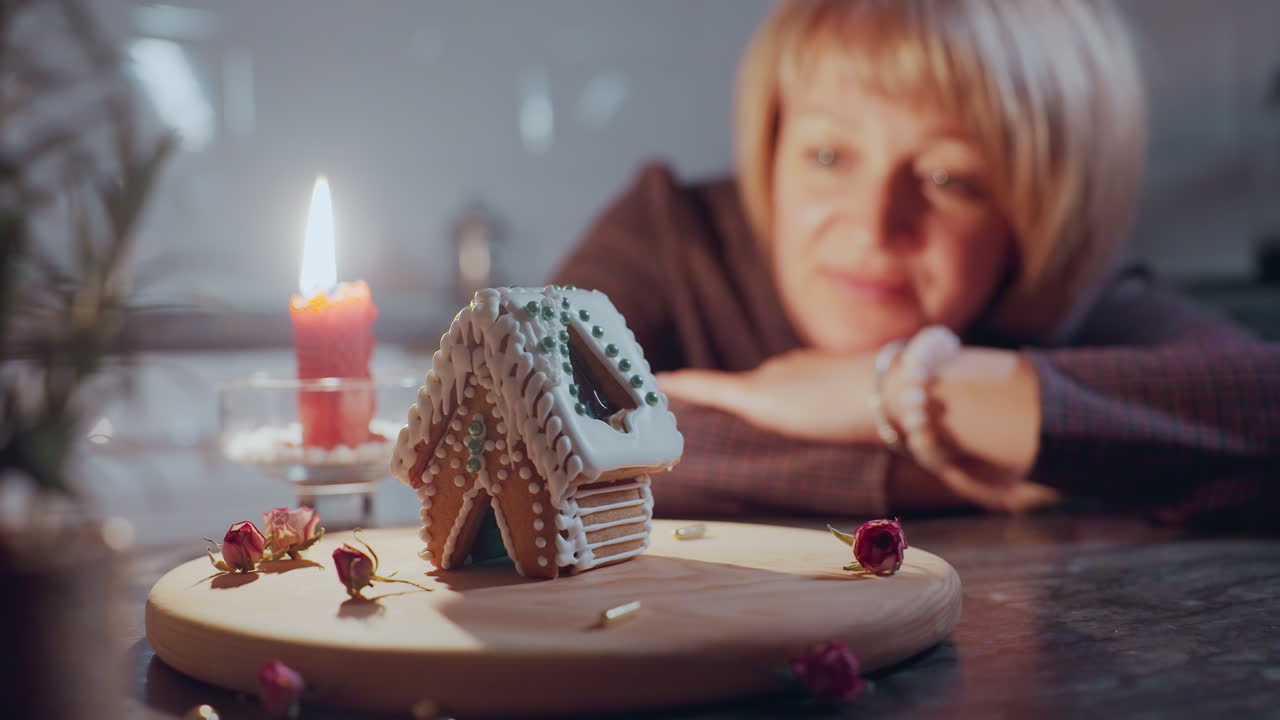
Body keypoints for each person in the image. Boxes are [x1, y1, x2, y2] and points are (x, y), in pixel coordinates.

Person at [551, 0, 1280, 525]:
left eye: (947, 179)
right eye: (829, 155)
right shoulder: (672, 232)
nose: (875, 224)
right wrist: (965, 465)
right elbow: (533, 420)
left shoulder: (1077, 297)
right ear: (770, 153)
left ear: (1036, 213)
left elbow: (1260, 406)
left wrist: (909, 392)